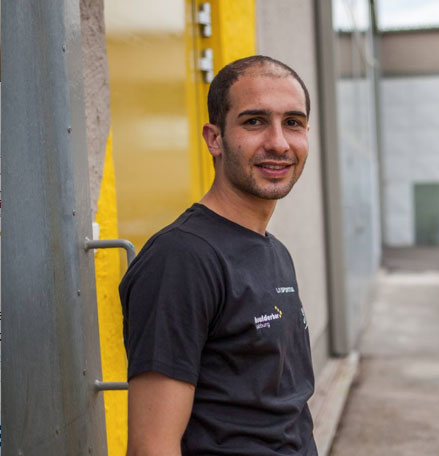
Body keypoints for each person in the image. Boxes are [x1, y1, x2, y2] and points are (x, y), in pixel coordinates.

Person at [119, 56, 317, 455]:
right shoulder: (182, 259)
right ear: (214, 139)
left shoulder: (274, 251)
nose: (279, 143)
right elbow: (152, 446)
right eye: (254, 121)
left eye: (293, 122)